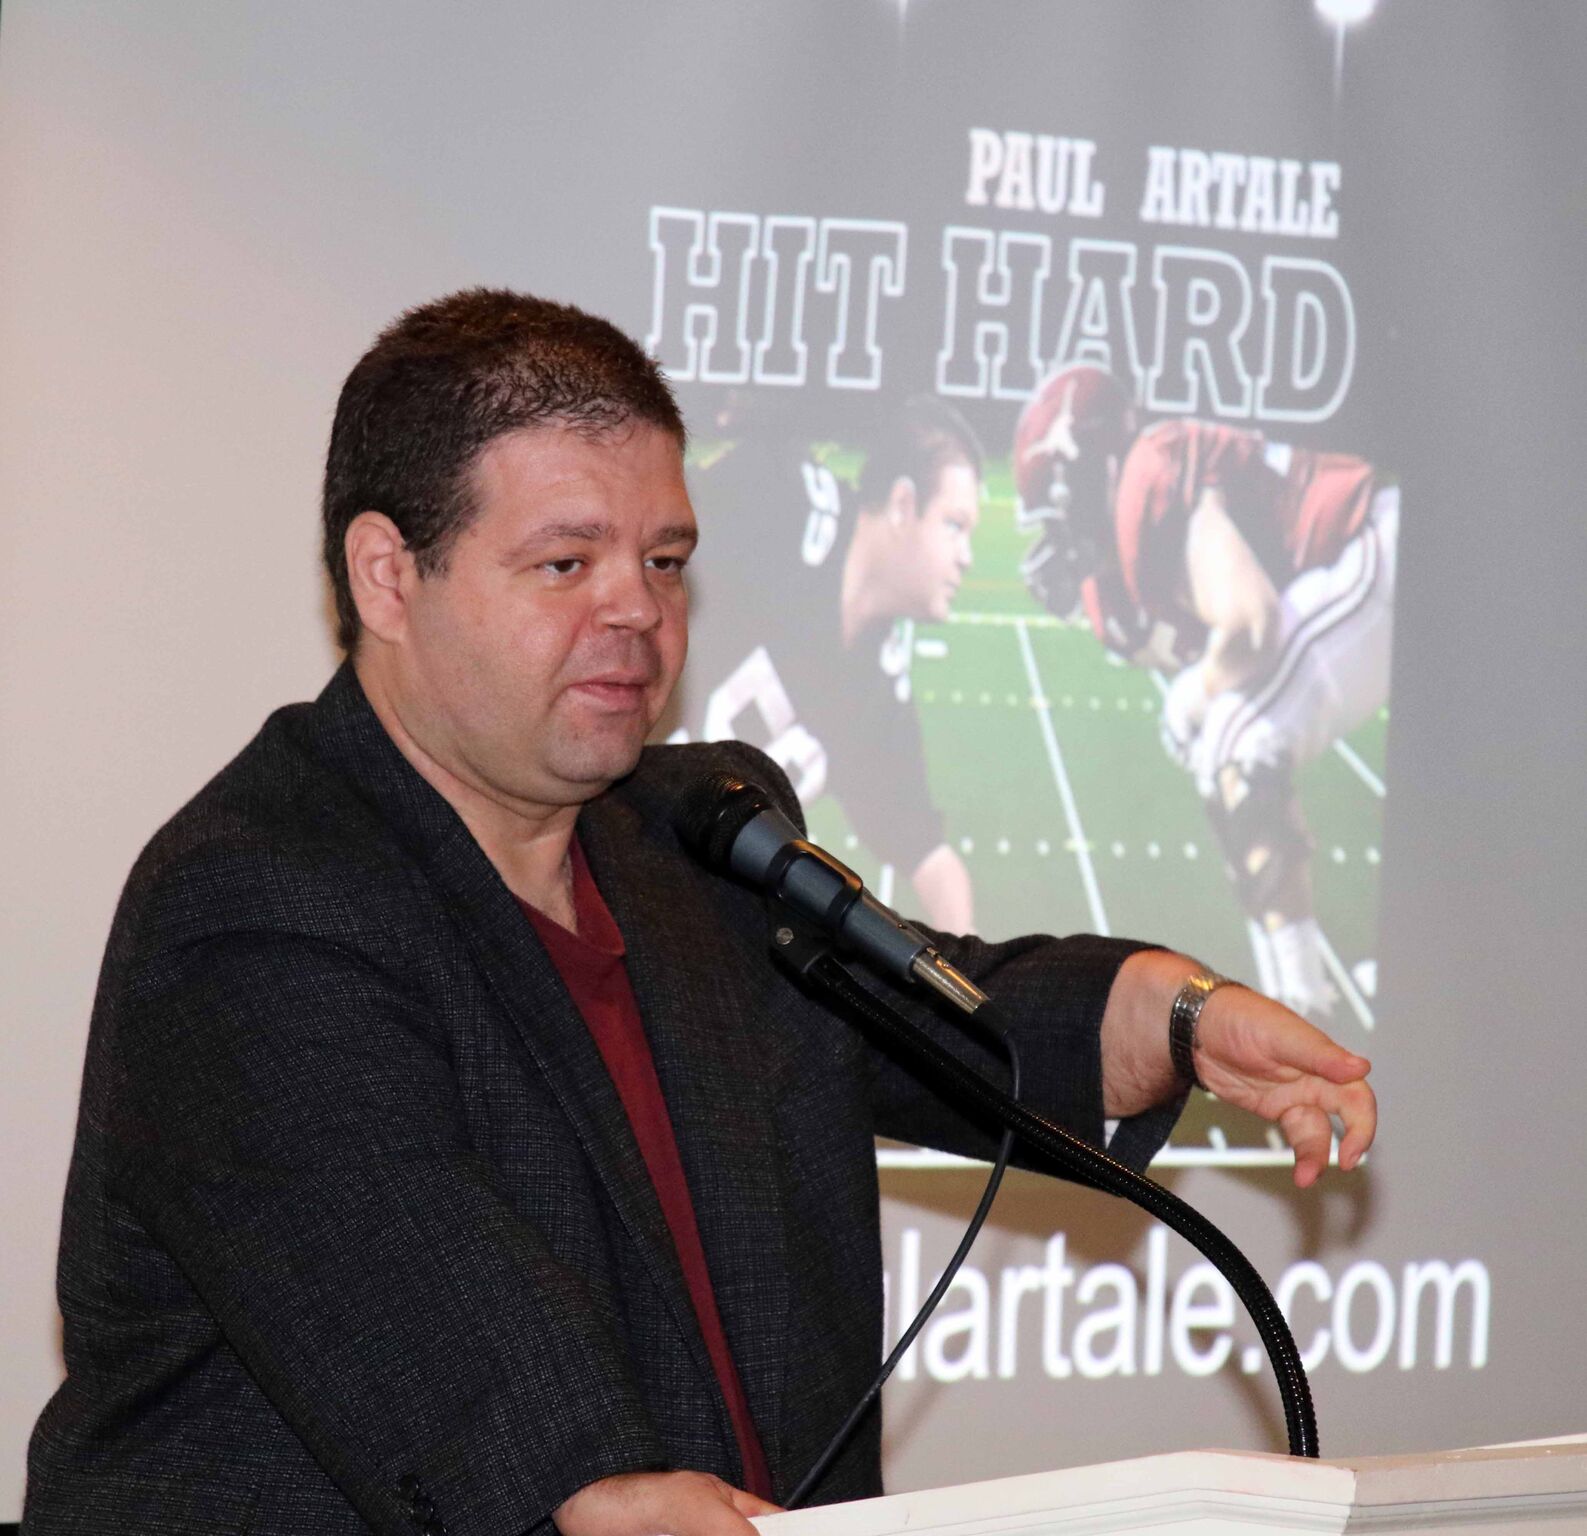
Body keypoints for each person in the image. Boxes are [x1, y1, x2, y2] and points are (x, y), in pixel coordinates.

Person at [25, 291, 1375, 1536]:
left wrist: (1175, 1015)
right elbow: (409, 1276)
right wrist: (589, 1482)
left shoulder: (696, 840)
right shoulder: (257, 901)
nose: (638, 609)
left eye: (665, 559)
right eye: (567, 564)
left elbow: (947, 1014)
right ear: (387, 576)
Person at [1015, 363, 1398, 1019]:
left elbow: (1249, 622)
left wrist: (1193, 693)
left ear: (1093, 468)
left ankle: (1302, 1002)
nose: (1062, 534)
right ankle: (1298, 991)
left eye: (1062, 507)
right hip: (1352, 559)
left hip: (1371, 547)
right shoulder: (1130, 533)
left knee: (1236, 742)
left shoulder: (1150, 476)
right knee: (1226, 760)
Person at [674, 395, 980, 931]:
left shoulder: (879, 683)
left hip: (689, 891)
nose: (967, 556)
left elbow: (926, 850)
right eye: (954, 525)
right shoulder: (784, 498)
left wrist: (964, 963)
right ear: (902, 504)